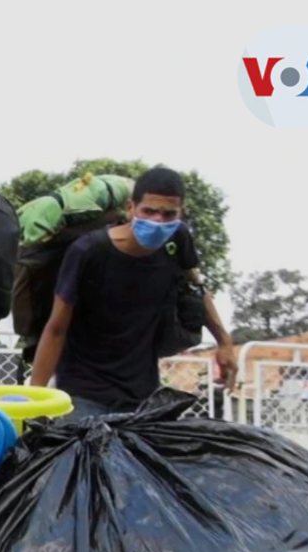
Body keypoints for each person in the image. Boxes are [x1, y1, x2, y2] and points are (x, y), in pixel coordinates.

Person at [28, 166, 235, 417]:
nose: (158, 221)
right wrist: (34, 400)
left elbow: (197, 287)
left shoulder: (177, 240)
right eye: (149, 211)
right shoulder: (88, 252)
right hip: (83, 393)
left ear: (181, 213)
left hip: (142, 395)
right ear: (130, 208)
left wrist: (224, 342)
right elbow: (56, 327)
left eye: (168, 214)